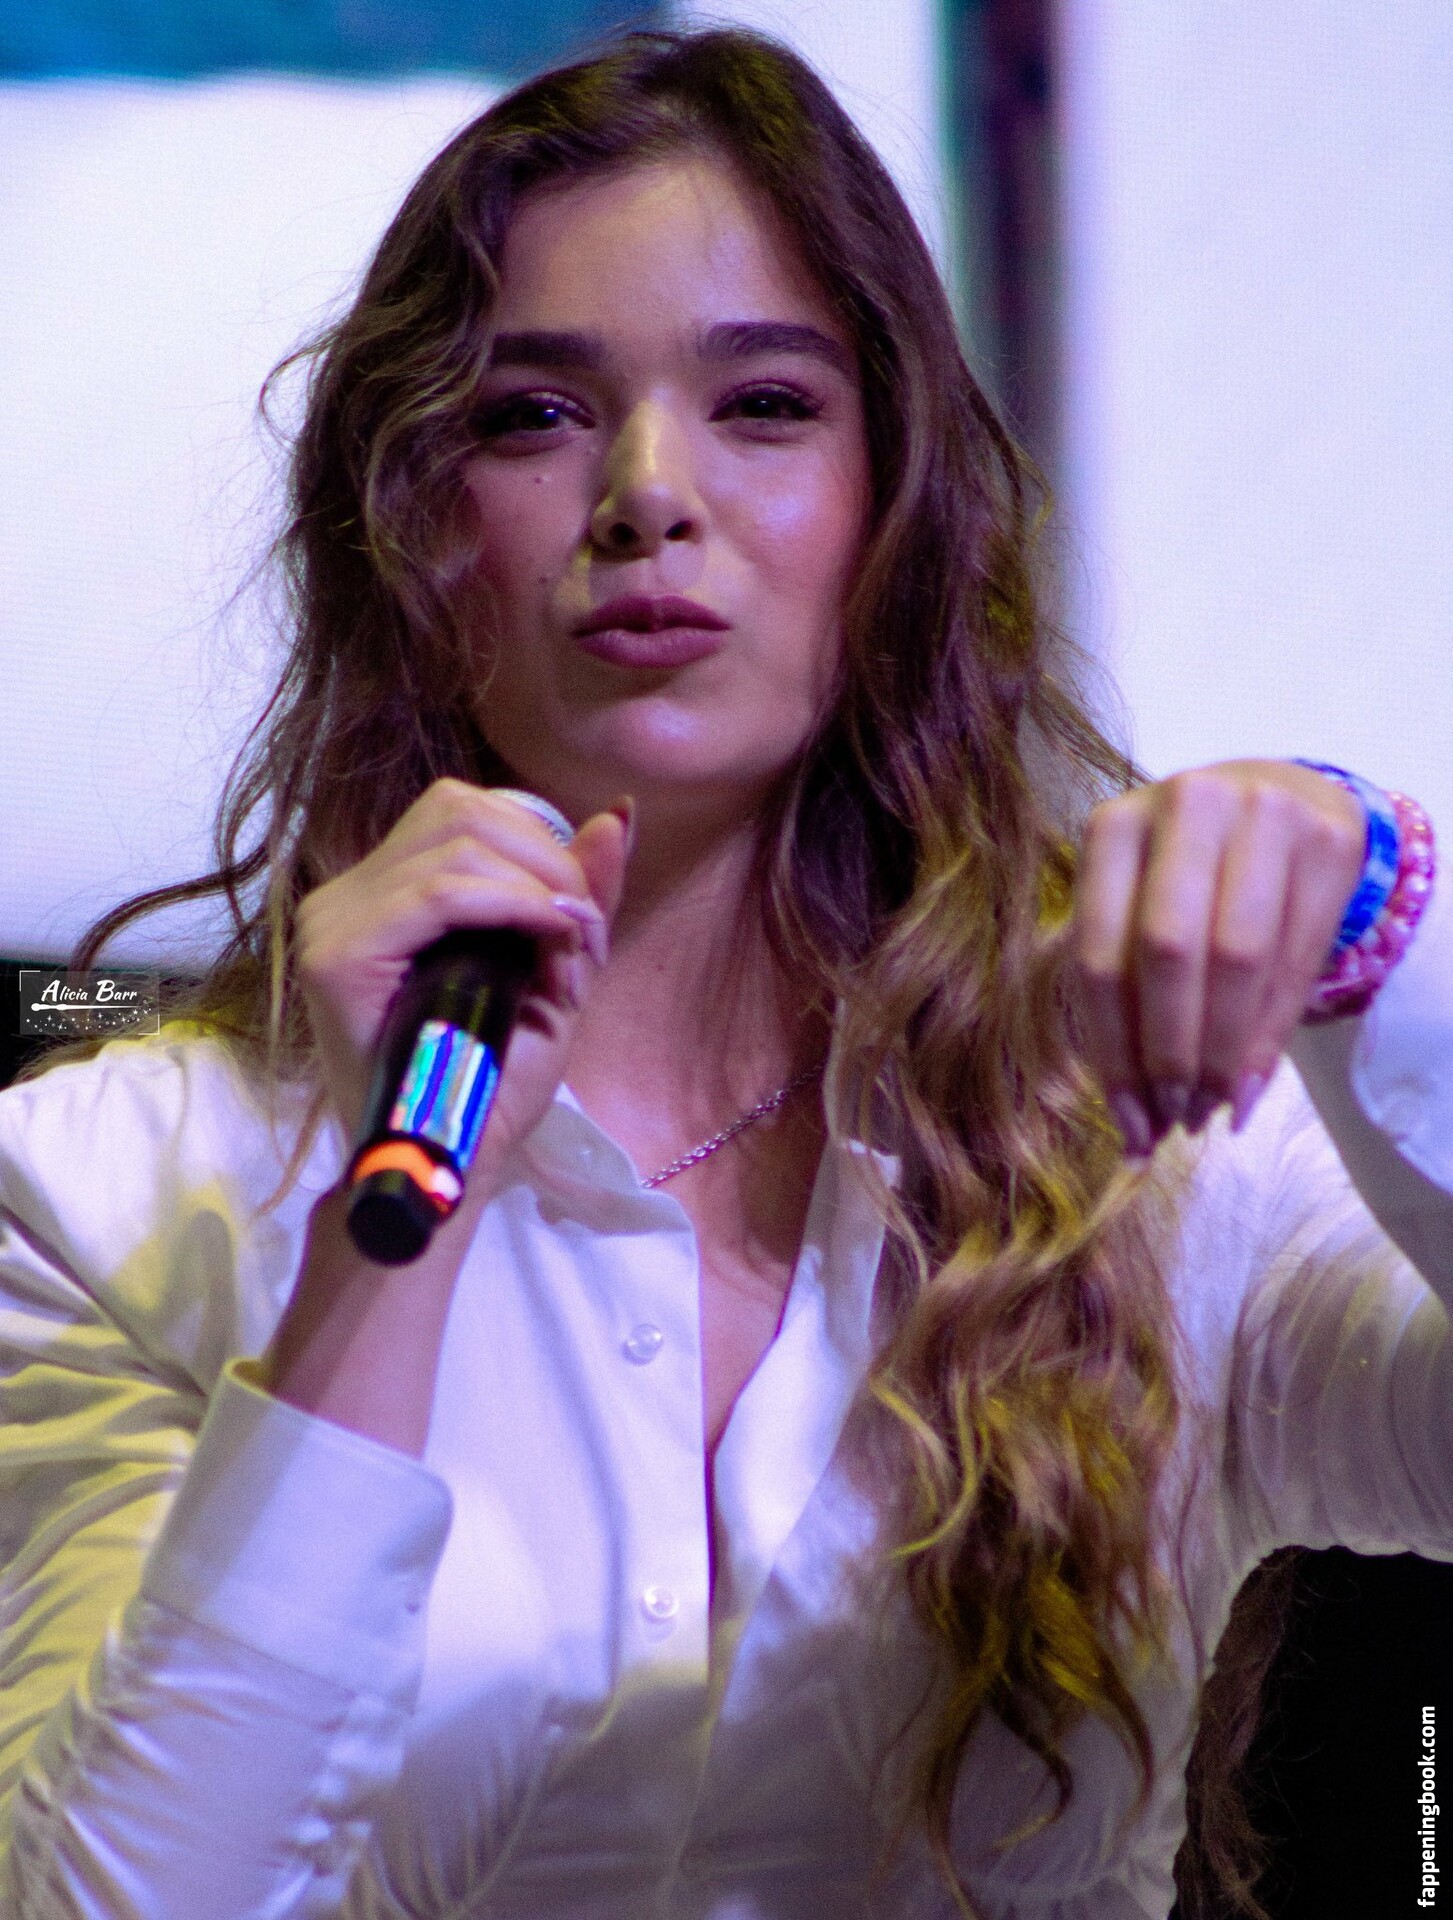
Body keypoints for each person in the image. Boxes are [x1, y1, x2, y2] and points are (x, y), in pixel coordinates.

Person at [0, 26, 1447, 1920]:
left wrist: (1385, 927)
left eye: (763, 404)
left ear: (897, 510)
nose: (646, 494)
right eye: (532, 415)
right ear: (413, 529)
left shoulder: (1154, 1145)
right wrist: (384, 1241)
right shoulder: (105, 1186)